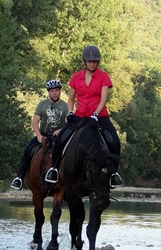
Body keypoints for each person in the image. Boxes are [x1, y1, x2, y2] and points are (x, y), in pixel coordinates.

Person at [45, 45, 122, 188]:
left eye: (94, 61)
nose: (92, 64)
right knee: (61, 138)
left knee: (114, 141)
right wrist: (69, 113)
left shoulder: (104, 77)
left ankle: (113, 174)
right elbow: (71, 99)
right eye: (89, 61)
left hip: (99, 116)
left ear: (98, 62)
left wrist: (95, 115)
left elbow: (103, 99)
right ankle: (54, 169)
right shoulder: (76, 77)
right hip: (80, 115)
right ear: (84, 61)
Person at [10, 80, 68, 190]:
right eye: (52, 91)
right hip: (44, 135)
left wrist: (60, 130)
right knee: (27, 150)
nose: (54, 93)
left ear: (60, 91)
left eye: (56, 90)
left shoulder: (65, 106)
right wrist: (38, 135)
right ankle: (19, 178)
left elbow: (68, 123)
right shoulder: (42, 104)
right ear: (49, 92)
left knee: (70, 151)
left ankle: (72, 181)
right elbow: (35, 122)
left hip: (58, 137)